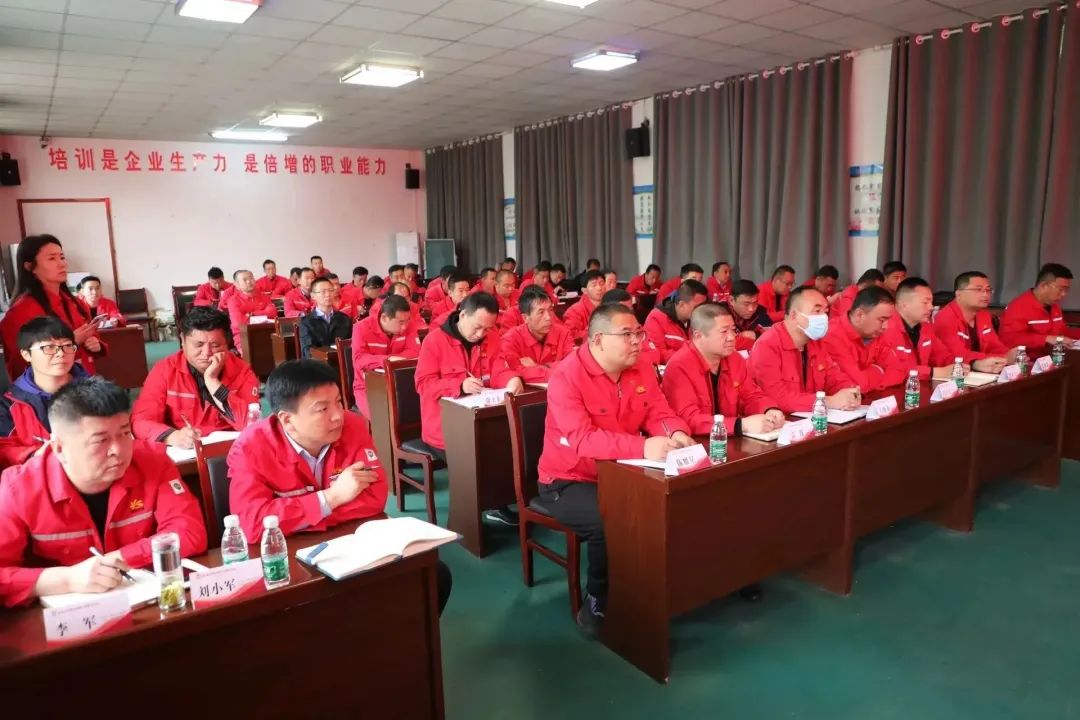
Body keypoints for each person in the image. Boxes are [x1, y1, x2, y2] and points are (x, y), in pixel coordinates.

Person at [537, 304, 693, 635]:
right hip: (569, 479)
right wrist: (643, 447)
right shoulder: (567, 377)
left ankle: (656, 587)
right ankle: (598, 598)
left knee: (678, 502)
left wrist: (675, 432)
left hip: (624, 471)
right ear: (597, 340)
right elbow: (582, 440)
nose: (637, 341)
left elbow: (658, 411)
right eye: (626, 335)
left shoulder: (641, 367)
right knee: (610, 521)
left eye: (639, 333)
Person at [0, 378, 207, 608]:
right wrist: (67, 579)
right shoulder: (18, 488)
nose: (117, 450)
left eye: (125, 433)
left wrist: (118, 559)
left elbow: (189, 532)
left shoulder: (153, 462)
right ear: (59, 448)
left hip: (144, 604)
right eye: (101, 440)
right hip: (60, 618)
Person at [415, 293, 523, 526]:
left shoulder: (491, 337)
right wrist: (458, 385)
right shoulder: (435, 341)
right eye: (477, 327)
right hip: (444, 429)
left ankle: (497, 504)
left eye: (487, 328)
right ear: (463, 315)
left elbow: (498, 368)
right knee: (477, 458)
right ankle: (468, 520)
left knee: (511, 447)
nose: (481, 334)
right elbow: (423, 384)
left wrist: (511, 379)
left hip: (482, 420)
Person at [132, 307, 260, 448]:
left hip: (230, 452)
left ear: (227, 344)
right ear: (183, 340)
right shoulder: (164, 370)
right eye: (198, 345)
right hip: (182, 453)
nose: (206, 353)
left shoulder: (242, 371)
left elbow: (250, 424)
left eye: (215, 345)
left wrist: (212, 381)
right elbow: (140, 421)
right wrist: (171, 436)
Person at [662, 303, 784, 436]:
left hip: (730, 437)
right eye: (724, 332)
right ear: (698, 336)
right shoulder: (679, 366)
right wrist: (739, 425)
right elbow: (689, 419)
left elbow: (751, 396)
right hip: (699, 440)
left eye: (733, 330)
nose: (732, 337)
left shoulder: (735, 359)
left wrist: (769, 410)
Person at [0, 235, 105, 379]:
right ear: (30, 267)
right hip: (52, 389)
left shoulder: (76, 302)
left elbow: (92, 336)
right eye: (52, 258)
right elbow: (19, 364)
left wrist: (95, 344)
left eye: (62, 257)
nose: (62, 264)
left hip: (84, 381)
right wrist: (69, 342)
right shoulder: (21, 312)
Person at [747, 287, 861, 413]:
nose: (823, 317)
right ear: (794, 315)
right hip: (780, 420)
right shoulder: (767, 346)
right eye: (817, 311)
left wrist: (850, 391)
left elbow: (833, 378)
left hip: (811, 416)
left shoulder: (816, 341)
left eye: (825, 311)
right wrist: (828, 401)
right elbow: (778, 398)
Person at [0, 318, 91, 467]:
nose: (60, 353)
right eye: (49, 347)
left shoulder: (96, 390)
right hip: (38, 474)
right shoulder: (10, 403)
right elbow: (4, 447)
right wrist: (35, 454)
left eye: (67, 345)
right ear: (26, 355)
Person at [822, 286, 907, 393]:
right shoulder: (833, 336)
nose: (886, 326)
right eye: (882, 320)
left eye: (888, 320)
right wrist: (879, 370)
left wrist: (870, 377)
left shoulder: (874, 333)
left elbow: (899, 371)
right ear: (859, 315)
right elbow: (857, 386)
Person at [882, 277, 969, 381]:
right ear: (904, 305)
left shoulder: (925, 327)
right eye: (925, 303)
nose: (931, 307)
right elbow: (895, 369)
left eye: (931, 302)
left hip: (920, 385)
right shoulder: (885, 328)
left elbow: (941, 355)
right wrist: (934, 372)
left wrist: (957, 365)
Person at [351, 295, 420, 417]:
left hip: (402, 383)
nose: (405, 326)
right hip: (368, 386)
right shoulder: (361, 328)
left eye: (407, 320)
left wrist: (391, 359)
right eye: (400, 322)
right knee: (382, 417)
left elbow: (415, 352)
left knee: (419, 412)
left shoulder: (409, 325)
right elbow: (359, 359)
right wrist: (387, 360)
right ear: (384, 317)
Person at [933, 271, 1012, 366]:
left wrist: (1010, 354)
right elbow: (958, 355)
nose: (985, 294)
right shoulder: (945, 318)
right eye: (978, 290)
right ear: (958, 294)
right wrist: (1002, 357)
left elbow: (995, 346)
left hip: (981, 368)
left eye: (988, 290)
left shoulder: (984, 315)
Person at [500, 287, 574, 382]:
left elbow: (573, 367)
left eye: (550, 310)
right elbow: (514, 373)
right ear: (525, 318)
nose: (548, 317)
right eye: (541, 312)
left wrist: (538, 367)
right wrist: (554, 370)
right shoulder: (510, 339)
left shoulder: (563, 333)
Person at [1000, 263, 1080, 349]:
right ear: (1043, 286)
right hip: (1028, 357)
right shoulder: (1017, 307)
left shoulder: (1054, 306)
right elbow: (1009, 339)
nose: (1063, 294)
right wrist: (1046, 339)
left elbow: (1061, 331)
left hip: (1054, 354)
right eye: (1060, 289)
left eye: (1066, 290)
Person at [643, 279, 709, 364]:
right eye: (697, 307)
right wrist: (690, 357)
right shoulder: (656, 318)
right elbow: (657, 353)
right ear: (682, 305)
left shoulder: (699, 319)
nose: (701, 311)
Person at [225, 270, 277, 355]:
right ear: (237, 284)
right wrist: (264, 314)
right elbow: (239, 323)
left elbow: (273, 313)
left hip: (267, 332)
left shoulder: (264, 297)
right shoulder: (233, 301)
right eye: (245, 280)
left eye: (251, 278)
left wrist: (252, 314)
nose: (249, 281)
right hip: (244, 336)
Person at [298, 277, 353, 358]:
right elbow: (307, 352)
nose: (328, 295)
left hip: (341, 361)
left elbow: (351, 346)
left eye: (330, 290)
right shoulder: (306, 322)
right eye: (323, 291)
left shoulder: (344, 319)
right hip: (318, 364)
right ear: (313, 296)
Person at [728, 279, 773, 351]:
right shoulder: (720, 314)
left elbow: (773, 334)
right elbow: (724, 343)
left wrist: (756, 335)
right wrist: (759, 339)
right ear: (731, 300)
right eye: (746, 304)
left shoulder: (760, 311)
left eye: (755, 303)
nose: (751, 309)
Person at [561, 269, 605, 341]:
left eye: (601, 283)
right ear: (584, 291)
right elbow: (569, 336)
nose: (599, 288)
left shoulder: (610, 306)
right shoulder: (574, 311)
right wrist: (594, 331)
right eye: (594, 285)